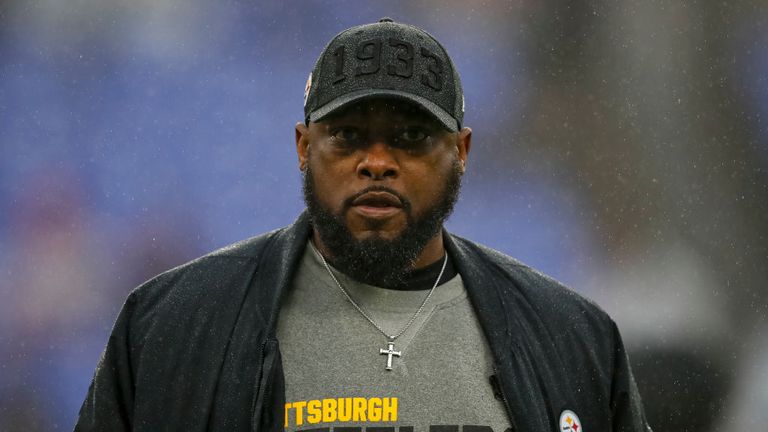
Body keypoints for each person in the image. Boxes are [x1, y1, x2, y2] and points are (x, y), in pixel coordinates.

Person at [75, 18, 651, 432]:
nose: (377, 161)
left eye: (410, 137)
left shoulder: (573, 339)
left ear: (462, 151)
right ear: (303, 147)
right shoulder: (171, 326)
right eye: (348, 136)